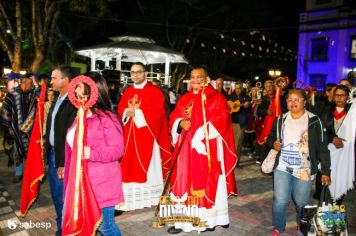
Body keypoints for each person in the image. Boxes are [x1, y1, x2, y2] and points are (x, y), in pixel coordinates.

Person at [168, 67, 237, 233]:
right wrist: (179, 123)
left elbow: (222, 119)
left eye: (199, 77)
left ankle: (210, 219)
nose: (195, 80)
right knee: (182, 181)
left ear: (206, 79)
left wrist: (201, 133)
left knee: (207, 182)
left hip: (206, 147)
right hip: (185, 149)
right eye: (192, 77)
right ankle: (182, 221)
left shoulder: (216, 97)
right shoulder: (185, 97)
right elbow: (174, 117)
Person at [64, 72, 124, 235]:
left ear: (92, 90)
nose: (76, 91)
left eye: (80, 88)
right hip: (81, 182)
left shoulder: (107, 118)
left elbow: (117, 150)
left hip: (101, 184)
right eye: (76, 88)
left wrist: (91, 152)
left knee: (106, 225)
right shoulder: (80, 115)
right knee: (86, 224)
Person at [267, 89, 331, 236]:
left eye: (297, 99)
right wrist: (273, 144)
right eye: (290, 100)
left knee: (302, 201)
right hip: (283, 166)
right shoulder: (281, 119)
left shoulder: (314, 121)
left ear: (304, 101)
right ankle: (278, 228)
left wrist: (326, 171)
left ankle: (301, 225)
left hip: (305, 168)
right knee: (280, 200)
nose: (293, 102)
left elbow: (322, 147)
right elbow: (271, 138)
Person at [117, 62, 171, 211]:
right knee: (128, 165)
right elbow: (121, 108)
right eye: (132, 72)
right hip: (129, 136)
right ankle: (129, 199)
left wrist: (139, 113)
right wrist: (126, 112)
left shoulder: (155, 91)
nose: (135, 75)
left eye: (138, 72)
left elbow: (158, 113)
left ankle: (150, 197)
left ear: (145, 73)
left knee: (147, 166)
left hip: (147, 136)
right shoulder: (128, 91)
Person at [45, 65, 77, 236]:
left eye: (54, 78)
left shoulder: (73, 103)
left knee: (62, 198)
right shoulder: (58, 98)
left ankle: (64, 230)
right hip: (53, 155)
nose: (51, 81)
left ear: (65, 80)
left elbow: (70, 138)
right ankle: (62, 228)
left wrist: (62, 163)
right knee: (57, 198)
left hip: (62, 159)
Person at [320, 85, 356, 203]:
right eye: (337, 95)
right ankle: (325, 207)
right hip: (330, 150)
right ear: (333, 96)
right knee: (328, 178)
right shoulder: (326, 110)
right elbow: (321, 129)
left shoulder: (352, 112)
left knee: (341, 178)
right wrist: (332, 138)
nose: (339, 98)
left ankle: (337, 206)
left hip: (346, 151)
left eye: (342, 95)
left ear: (347, 97)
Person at [0, 74, 37, 183]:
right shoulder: (12, 94)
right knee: (17, 151)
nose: (32, 86)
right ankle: (19, 173)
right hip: (15, 128)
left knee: (31, 152)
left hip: (29, 129)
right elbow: (5, 110)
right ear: (24, 83)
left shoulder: (32, 94)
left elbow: (34, 110)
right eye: (31, 83)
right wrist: (9, 127)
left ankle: (32, 173)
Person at [256, 80, 287, 164]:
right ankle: (267, 164)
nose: (268, 88)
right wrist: (266, 111)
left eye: (270, 86)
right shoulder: (263, 99)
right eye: (266, 86)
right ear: (264, 88)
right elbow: (258, 112)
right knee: (267, 145)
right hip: (266, 126)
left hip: (278, 125)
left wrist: (278, 110)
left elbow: (286, 110)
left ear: (274, 87)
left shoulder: (281, 98)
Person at [227, 81, 251, 167]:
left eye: (239, 88)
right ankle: (230, 160)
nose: (238, 90)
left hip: (241, 123)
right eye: (236, 88)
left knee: (238, 144)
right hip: (231, 123)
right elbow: (227, 107)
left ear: (242, 88)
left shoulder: (246, 97)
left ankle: (236, 162)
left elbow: (249, 110)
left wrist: (247, 107)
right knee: (230, 143)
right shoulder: (230, 97)